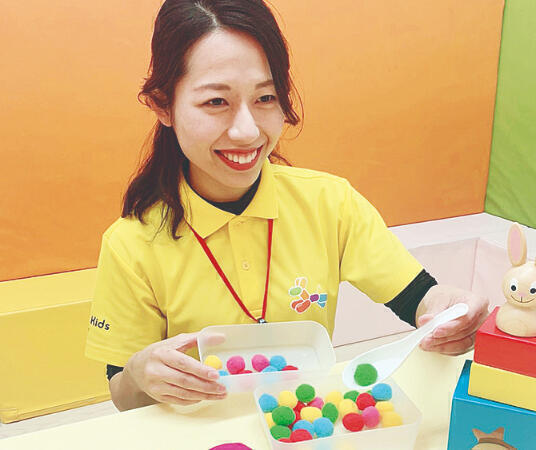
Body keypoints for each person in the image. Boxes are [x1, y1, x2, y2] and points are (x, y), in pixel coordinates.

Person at [85, 0, 489, 412]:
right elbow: (123, 394)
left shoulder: (330, 203)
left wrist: (443, 310)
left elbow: (418, 299)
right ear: (162, 104)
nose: (247, 131)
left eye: (266, 97)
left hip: (304, 427)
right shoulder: (131, 244)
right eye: (216, 102)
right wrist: (139, 375)